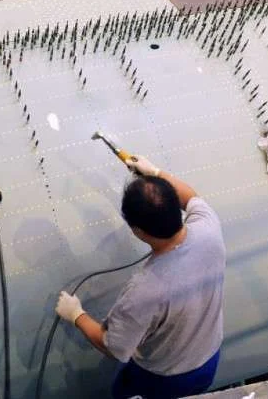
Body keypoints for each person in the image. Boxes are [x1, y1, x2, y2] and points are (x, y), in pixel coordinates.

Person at [55, 155, 226, 399]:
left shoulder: (145, 290)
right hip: (208, 359)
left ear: (138, 231)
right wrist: (155, 172)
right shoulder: (209, 228)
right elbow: (192, 198)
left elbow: (113, 346)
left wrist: (76, 315)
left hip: (164, 379)